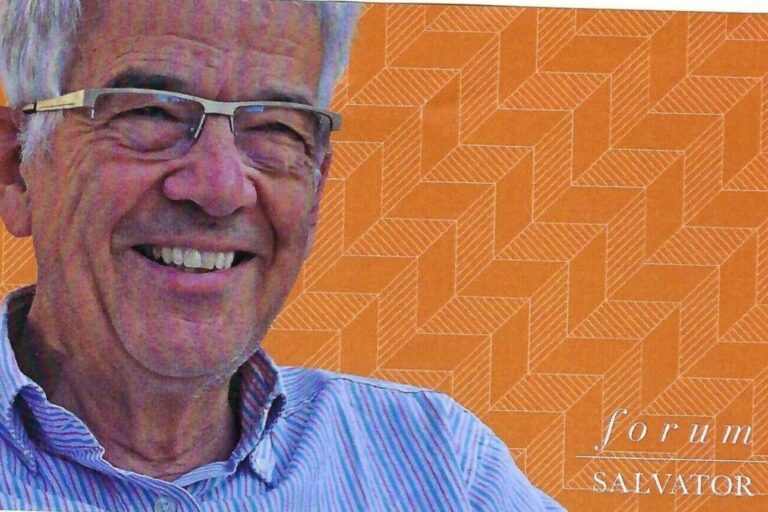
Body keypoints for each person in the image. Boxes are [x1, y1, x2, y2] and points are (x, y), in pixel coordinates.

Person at [0, 1, 565, 511]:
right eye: (151, 114)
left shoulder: (441, 465)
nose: (222, 188)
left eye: (274, 127)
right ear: (17, 172)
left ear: (316, 186)